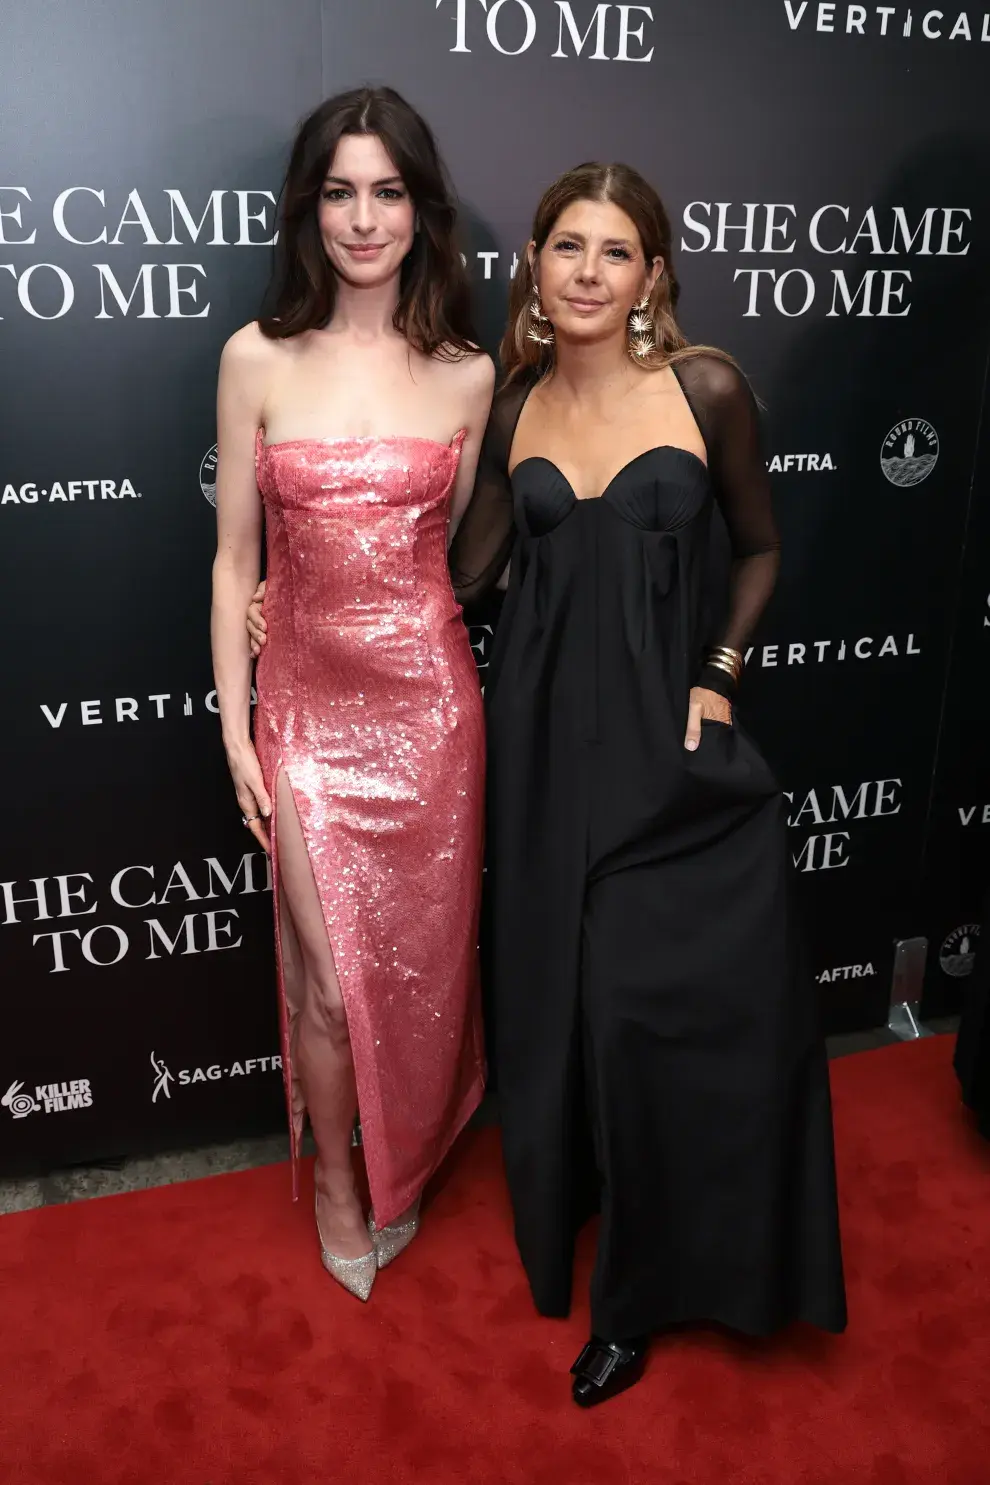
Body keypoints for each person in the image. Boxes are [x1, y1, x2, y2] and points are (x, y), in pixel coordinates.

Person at [446, 161, 847, 1405]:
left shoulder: (707, 390)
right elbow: (460, 578)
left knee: (643, 1014)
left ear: (653, 277)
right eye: (568, 247)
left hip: (671, 762)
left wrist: (720, 675)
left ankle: (652, 1284)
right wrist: (303, 588)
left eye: (615, 253)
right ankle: (598, 1245)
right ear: (533, 266)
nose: (587, 272)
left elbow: (764, 546)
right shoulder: (515, 409)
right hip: (544, 753)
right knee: (568, 1006)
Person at [210, 86, 494, 1303]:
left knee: (425, 974)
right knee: (326, 979)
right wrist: (237, 724)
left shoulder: (471, 375)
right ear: (308, 207)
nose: (362, 220)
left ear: (421, 210)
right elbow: (232, 564)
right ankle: (340, 1183)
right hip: (309, 718)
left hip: (432, 714)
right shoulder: (254, 357)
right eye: (339, 192)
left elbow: (462, 557)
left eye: (386, 192)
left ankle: (413, 1153)